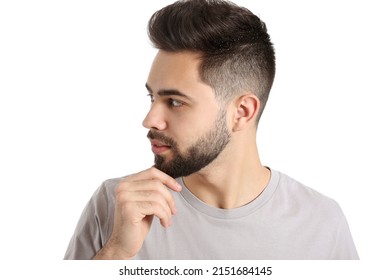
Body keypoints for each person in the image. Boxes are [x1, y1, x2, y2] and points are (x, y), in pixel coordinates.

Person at [64, 0, 359, 260]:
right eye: (152, 98)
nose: (150, 119)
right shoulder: (116, 204)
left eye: (175, 101)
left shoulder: (321, 223)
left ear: (242, 112)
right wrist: (115, 253)